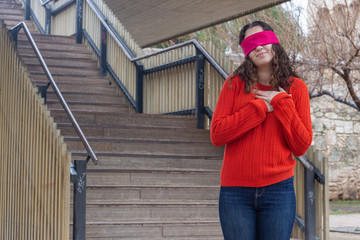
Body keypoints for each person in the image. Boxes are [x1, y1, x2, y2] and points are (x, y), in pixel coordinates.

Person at [210, 21, 313, 240]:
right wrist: (259, 108)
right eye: (251, 43)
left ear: (274, 43)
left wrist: (281, 103)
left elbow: (301, 145)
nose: (258, 47)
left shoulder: (297, 88)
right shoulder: (233, 84)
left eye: (263, 39)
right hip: (235, 192)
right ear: (246, 52)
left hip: (279, 191)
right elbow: (218, 134)